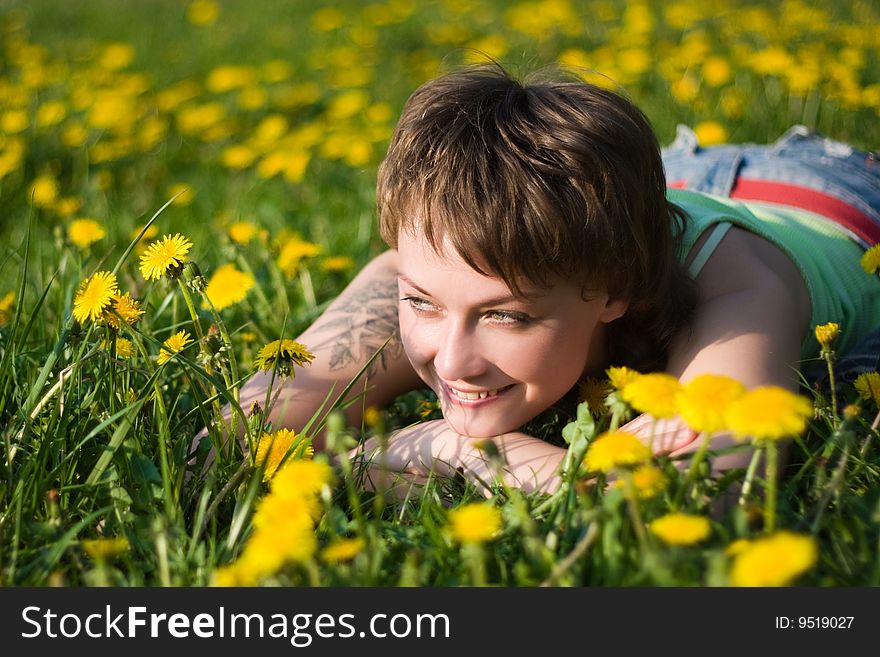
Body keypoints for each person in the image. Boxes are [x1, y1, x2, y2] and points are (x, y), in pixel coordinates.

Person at [224, 63, 880, 497]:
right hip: (651, 177)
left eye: (506, 315)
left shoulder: (736, 290)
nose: (451, 360)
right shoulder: (441, 261)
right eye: (422, 302)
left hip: (827, 190)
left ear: (618, 288)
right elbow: (226, 444)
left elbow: (712, 496)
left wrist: (463, 452)